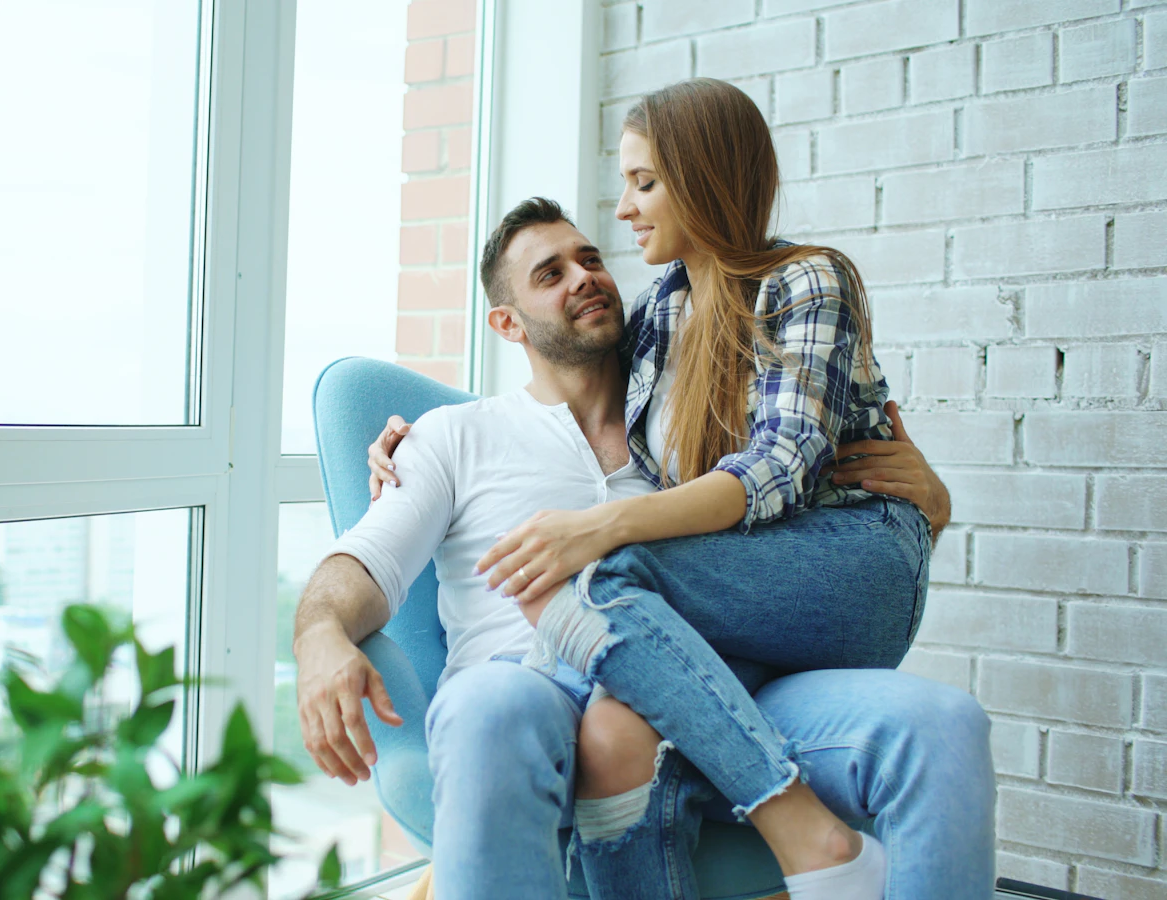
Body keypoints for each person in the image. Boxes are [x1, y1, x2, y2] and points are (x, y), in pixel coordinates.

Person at [297, 199, 991, 898]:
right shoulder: (452, 436)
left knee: (942, 727)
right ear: (507, 323)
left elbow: (792, 542)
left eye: (590, 259)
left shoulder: (687, 426)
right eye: (550, 274)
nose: (583, 277)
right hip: (533, 686)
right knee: (485, 710)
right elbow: (362, 563)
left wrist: (925, 504)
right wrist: (320, 634)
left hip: (710, 689)